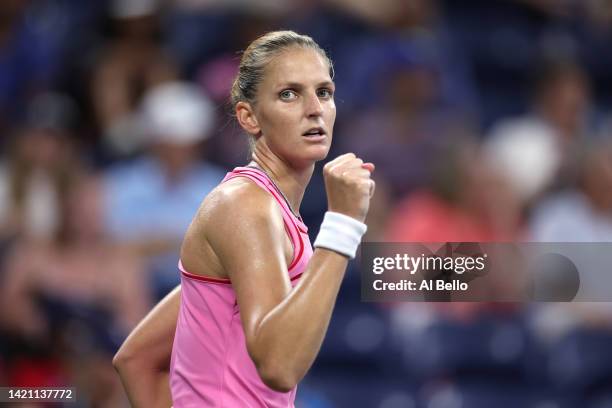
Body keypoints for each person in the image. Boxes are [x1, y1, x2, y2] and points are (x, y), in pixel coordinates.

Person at [113, 30, 375, 407]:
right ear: (249, 117)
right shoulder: (245, 207)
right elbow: (279, 366)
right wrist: (343, 224)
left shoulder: (264, 209)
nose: (314, 108)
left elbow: (136, 357)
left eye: (324, 92)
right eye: (289, 94)